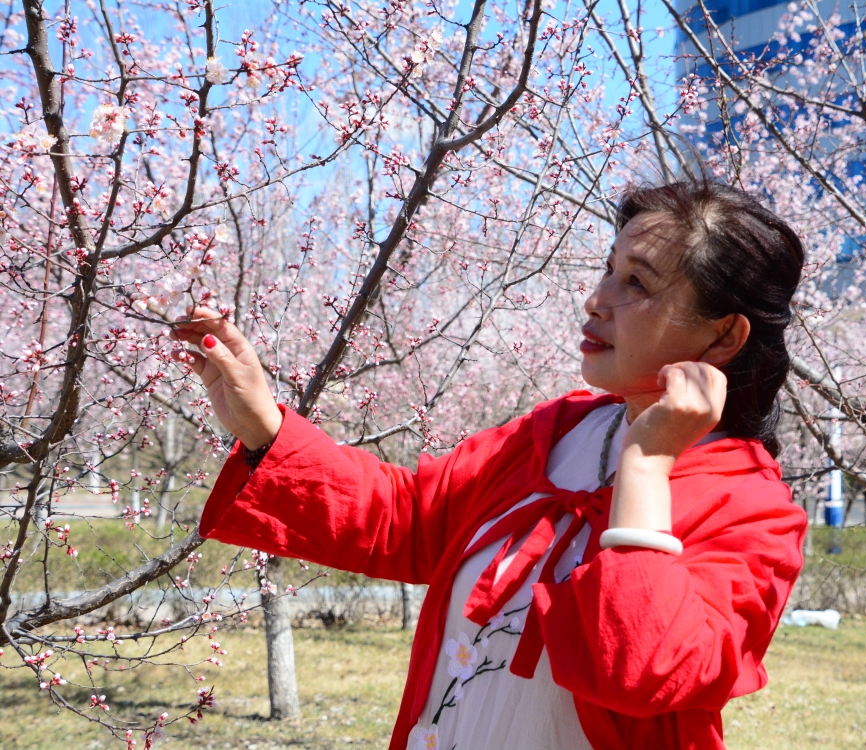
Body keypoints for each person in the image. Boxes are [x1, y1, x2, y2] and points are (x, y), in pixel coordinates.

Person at [172, 177, 808, 750]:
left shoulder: (753, 513)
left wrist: (645, 464)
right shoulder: (557, 433)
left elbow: (642, 669)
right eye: (608, 269)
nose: (596, 299)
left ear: (723, 336)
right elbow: (409, 517)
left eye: (637, 283)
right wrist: (264, 426)